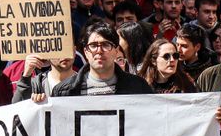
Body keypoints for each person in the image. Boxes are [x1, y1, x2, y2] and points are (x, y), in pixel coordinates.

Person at [17, 22, 152, 101]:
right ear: (85, 52)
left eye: (106, 45)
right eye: (93, 46)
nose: (99, 51)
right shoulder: (64, 91)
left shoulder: (138, 86)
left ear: (117, 51)